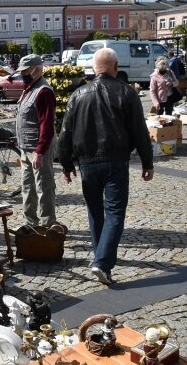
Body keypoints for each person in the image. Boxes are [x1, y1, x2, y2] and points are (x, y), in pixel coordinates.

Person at [58, 48, 154, 285]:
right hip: (115, 161)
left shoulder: (78, 95)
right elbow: (140, 131)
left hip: (87, 163)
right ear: (115, 66)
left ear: (93, 68)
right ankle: (102, 262)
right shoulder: (126, 92)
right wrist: (147, 161)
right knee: (114, 213)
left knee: (95, 211)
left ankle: (101, 257)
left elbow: (64, 133)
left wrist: (66, 165)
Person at [12, 54, 57, 228]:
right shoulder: (29, 88)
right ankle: (30, 222)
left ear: (36, 69)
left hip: (38, 149)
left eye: (25, 71)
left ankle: (47, 224)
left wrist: (39, 151)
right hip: (26, 147)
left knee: (44, 186)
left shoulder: (43, 91)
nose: (22, 74)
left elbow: (47, 125)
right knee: (27, 186)